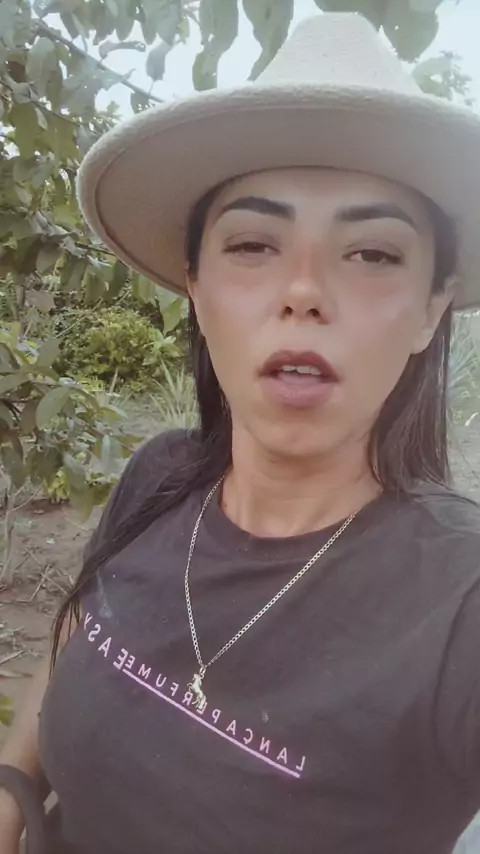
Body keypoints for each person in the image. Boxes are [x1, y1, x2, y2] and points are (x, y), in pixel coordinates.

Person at [2, 12, 480, 854]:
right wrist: (10, 791)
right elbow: (74, 641)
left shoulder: (459, 603)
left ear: (428, 309)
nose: (304, 292)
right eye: (254, 244)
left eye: (372, 254)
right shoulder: (159, 477)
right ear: (195, 285)